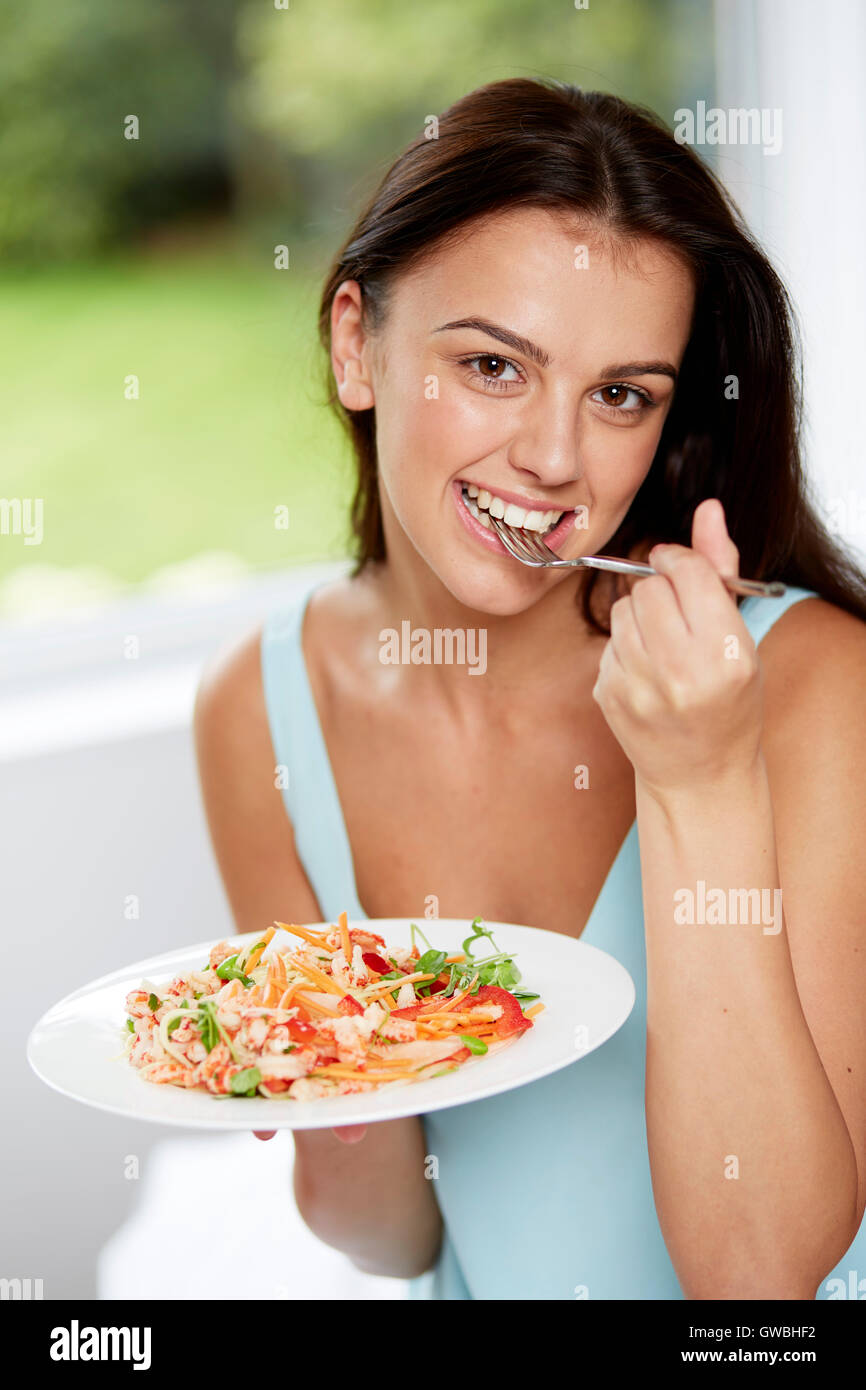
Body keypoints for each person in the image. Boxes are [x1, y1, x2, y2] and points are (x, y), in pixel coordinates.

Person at [194, 78, 866, 1299]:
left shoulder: (813, 682)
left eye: (621, 395)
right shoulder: (258, 704)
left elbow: (759, 1281)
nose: (557, 458)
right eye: (495, 366)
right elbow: (389, 1238)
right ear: (357, 344)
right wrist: (319, 1064)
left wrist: (700, 782)